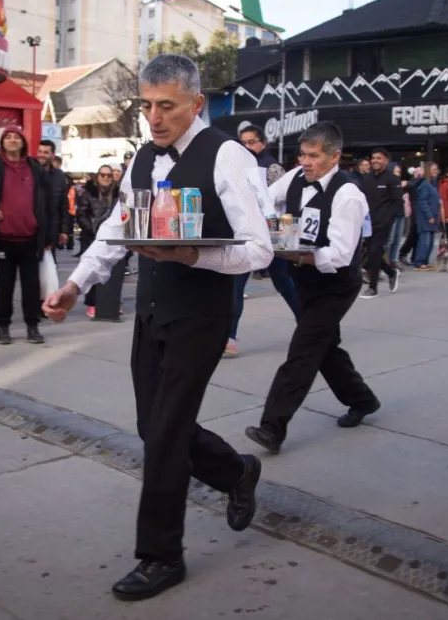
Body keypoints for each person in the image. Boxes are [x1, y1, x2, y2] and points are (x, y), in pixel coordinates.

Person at [42, 54, 269, 602]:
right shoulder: (143, 156)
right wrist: (78, 285)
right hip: (152, 310)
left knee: (166, 434)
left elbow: (258, 248)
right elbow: (115, 227)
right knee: (154, 426)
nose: (154, 117)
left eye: (166, 105)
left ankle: (161, 555)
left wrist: (193, 256)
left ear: (196, 103)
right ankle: (235, 471)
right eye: (147, 105)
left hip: (201, 315)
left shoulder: (228, 156)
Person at [244, 122, 379, 454]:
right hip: (303, 279)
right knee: (325, 347)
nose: (305, 162)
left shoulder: (348, 196)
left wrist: (297, 254)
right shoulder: (292, 179)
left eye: (313, 156)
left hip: (335, 285)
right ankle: (362, 400)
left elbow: (340, 255)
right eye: (302, 154)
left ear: (334, 157)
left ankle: (272, 427)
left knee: (304, 350)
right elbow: (266, 201)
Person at [0, 126, 55, 345]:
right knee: (4, 286)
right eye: (9, 137)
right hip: (3, 239)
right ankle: (4, 328)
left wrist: (50, 233)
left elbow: (50, 200)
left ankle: (32, 327)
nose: (13, 140)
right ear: (2, 142)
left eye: (17, 137)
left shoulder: (35, 167)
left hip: (30, 239)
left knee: (31, 287)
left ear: (23, 142)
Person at [229, 124, 303, 355]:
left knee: (284, 282)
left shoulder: (271, 167)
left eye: (252, 142)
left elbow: (283, 203)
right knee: (237, 284)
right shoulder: (237, 167)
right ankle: (229, 337)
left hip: (272, 233)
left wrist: (284, 235)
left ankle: (309, 324)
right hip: (247, 233)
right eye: (243, 143)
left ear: (263, 143)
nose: (248, 147)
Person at [357, 147, 401, 298]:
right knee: (369, 253)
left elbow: (397, 202)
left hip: (384, 223)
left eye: (379, 158)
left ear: (386, 161)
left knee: (374, 251)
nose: (375, 160)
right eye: (373, 158)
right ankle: (391, 272)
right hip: (368, 223)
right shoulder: (366, 179)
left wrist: (388, 219)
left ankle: (373, 287)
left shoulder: (392, 179)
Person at [77, 164, 120, 318]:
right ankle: (92, 303)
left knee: (112, 271)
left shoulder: (118, 194)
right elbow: (81, 214)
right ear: (97, 176)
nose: (106, 178)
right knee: (92, 270)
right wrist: (92, 230)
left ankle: (110, 303)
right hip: (91, 236)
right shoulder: (88, 193)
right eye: (103, 175)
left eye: (109, 175)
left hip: (111, 237)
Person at [37, 140, 73, 252]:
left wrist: (64, 230)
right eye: (40, 151)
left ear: (52, 155)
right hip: (32, 229)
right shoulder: (31, 171)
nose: (42, 155)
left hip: (51, 229)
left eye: (46, 152)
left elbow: (63, 205)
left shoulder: (59, 175)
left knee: (49, 265)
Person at [412, 168, 441, 271]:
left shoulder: (433, 184)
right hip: (425, 218)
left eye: (436, 169)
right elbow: (422, 202)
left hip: (434, 216)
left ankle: (425, 261)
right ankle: (419, 262)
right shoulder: (425, 185)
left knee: (431, 242)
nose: (435, 171)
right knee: (425, 241)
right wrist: (429, 216)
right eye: (433, 169)